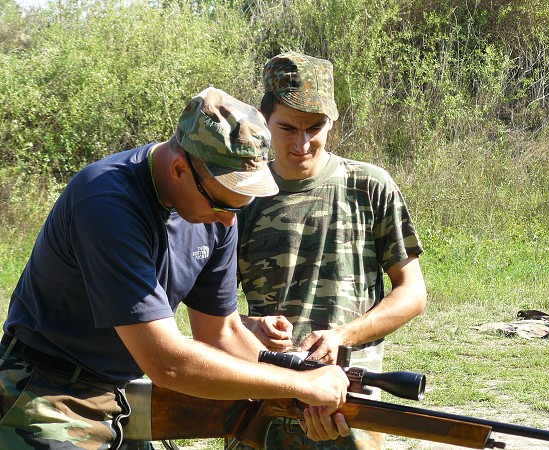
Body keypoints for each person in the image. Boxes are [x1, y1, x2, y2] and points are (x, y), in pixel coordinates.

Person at [0, 86, 351, 449]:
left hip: (121, 392)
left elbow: (222, 333)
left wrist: (294, 373)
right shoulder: (106, 204)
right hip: (46, 392)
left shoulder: (216, 208)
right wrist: (300, 386)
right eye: (222, 205)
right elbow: (167, 363)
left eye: (239, 208)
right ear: (180, 169)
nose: (228, 223)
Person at [236, 52, 428, 449]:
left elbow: (412, 293)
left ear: (332, 120)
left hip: (350, 398)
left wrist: (343, 335)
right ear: (262, 118)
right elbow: (197, 307)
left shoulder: (370, 186)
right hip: (264, 397)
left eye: (315, 127)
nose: (302, 143)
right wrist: (248, 325)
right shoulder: (240, 199)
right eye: (287, 127)